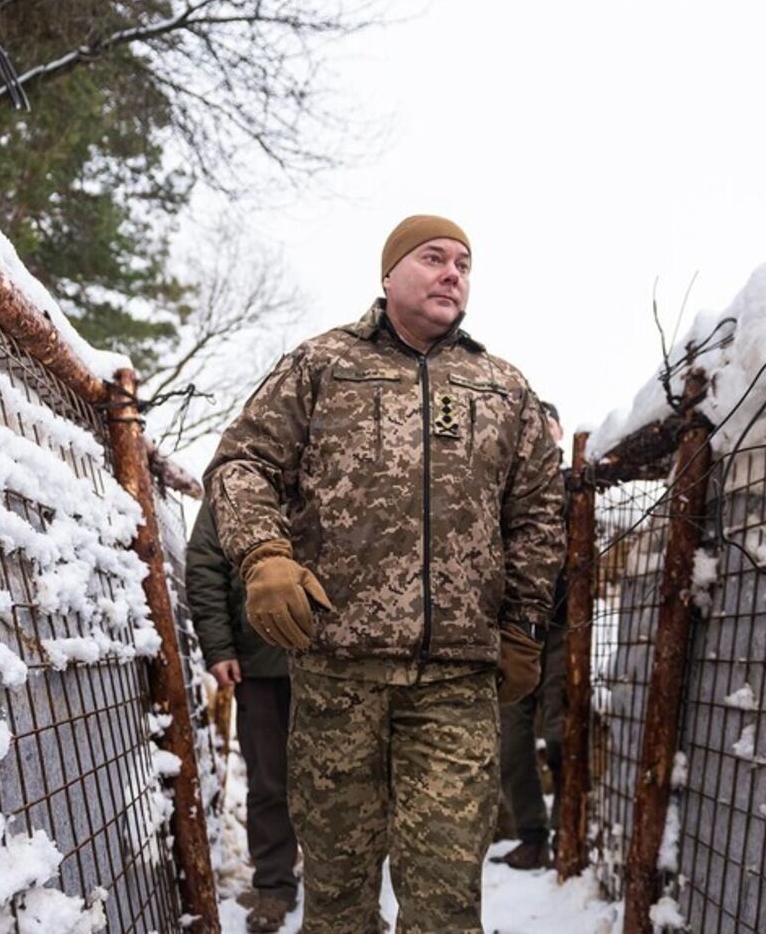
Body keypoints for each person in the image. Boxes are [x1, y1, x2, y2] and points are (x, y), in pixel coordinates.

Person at [204, 214, 565, 933]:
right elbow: (240, 465)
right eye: (433, 257)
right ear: (389, 273)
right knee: (338, 901)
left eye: (464, 262)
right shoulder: (322, 366)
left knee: (444, 905)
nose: (452, 272)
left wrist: (524, 625)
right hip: (338, 674)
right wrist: (263, 555)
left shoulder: (503, 389)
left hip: (458, 684)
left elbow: (538, 514)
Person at [186, 503, 299, 933]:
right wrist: (221, 648)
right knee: (270, 782)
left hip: (340, 659)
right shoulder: (237, 475)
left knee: (352, 781)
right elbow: (205, 566)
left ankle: (348, 895)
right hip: (261, 660)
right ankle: (273, 885)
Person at [492, 402, 569, 871]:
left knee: (561, 732)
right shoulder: (504, 483)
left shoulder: (576, 484)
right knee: (511, 741)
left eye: (548, 423)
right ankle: (533, 835)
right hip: (514, 627)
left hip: (563, 627)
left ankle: (567, 830)